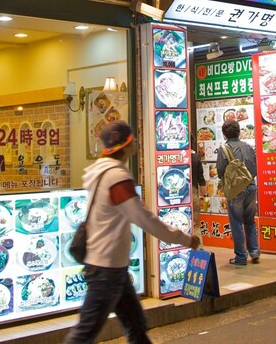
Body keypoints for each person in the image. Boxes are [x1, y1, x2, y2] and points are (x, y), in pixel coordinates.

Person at [65, 121, 200, 344]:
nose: (137, 141)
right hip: (106, 267)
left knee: (136, 327)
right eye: (133, 138)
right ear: (126, 145)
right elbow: (143, 218)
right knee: (85, 333)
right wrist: (183, 238)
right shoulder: (116, 178)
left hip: (112, 266)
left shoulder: (101, 172)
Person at [216, 119, 259, 265]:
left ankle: (241, 257)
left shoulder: (224, 149)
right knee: (250, 221)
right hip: (251, 186)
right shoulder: (248, 146)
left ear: (224, 134)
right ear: (239, 131)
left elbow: (220, 171)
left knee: (236, 222)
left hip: (236, 191)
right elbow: (254, 168)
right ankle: (254, 252)